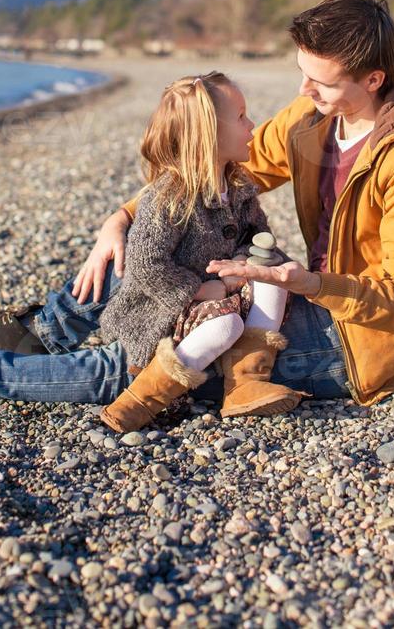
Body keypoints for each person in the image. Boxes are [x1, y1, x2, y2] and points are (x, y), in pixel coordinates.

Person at [0, 0, 394, 408]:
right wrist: (123, 219)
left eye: (319, 83)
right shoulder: (315, 119)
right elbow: (212, 178)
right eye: (301, 74)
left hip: (356, 337)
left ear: (374, 79)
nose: (303, 92)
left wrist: (304, 282)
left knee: (144, 360)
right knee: (155, 245)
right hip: (295, 291)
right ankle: (43, 335)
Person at [96, 71, 307, 431]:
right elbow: (146, 263)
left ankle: (245, 383)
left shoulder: (238, 185)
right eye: (241, 117)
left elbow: (257, 234)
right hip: (170, 309)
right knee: (226, 326)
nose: (253, 124)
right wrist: (196, 290)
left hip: (226, 290)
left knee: (275, 281)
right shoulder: (169, 197)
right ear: (209, 135)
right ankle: (139, 401)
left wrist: (249, 262)